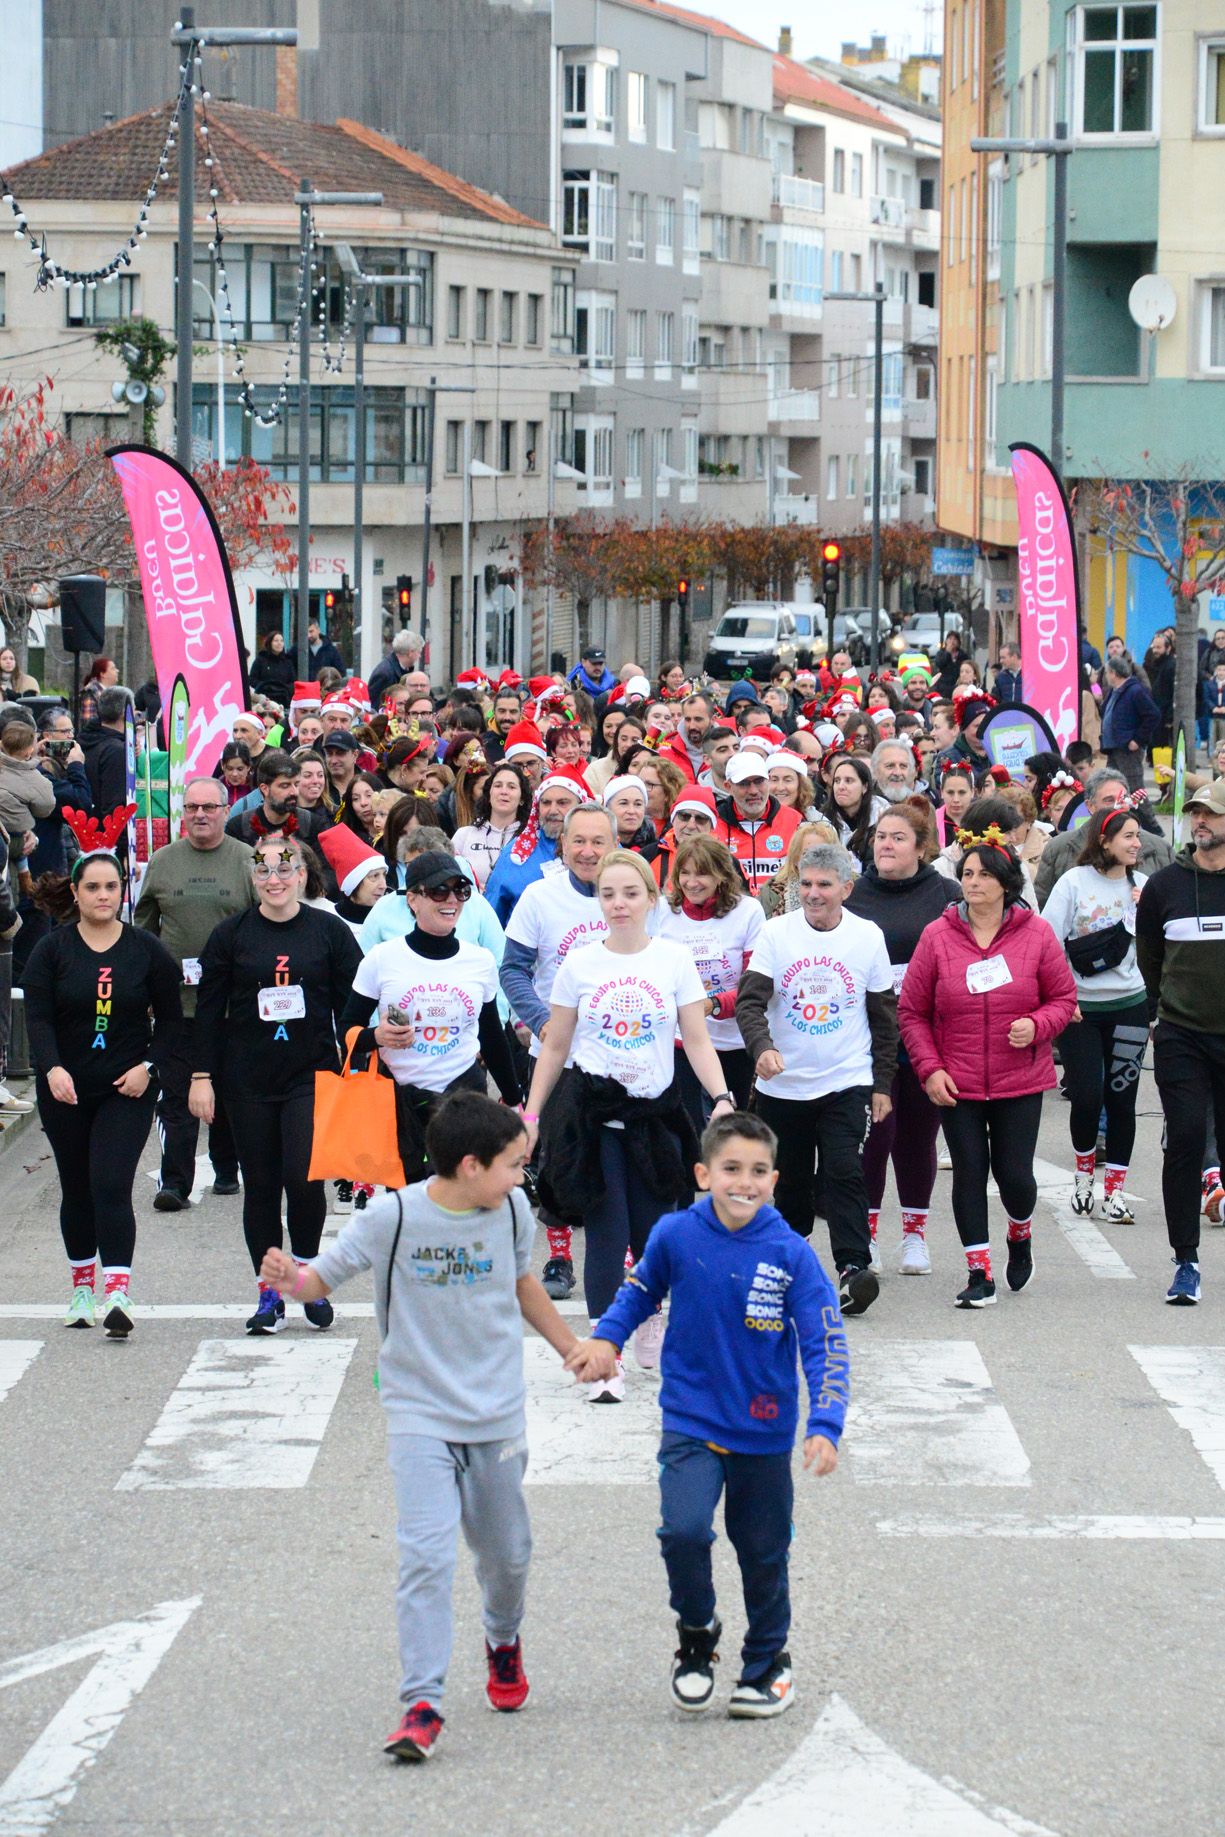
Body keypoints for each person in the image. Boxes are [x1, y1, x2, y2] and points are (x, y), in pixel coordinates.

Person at [261, 1093, 577, 1760]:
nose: (522, 1178)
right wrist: (291, 1277)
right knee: (425, 1555)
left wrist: (568, 1346)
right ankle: (422, 1702)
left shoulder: (512, 1209)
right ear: (469, 1165)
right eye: (513, 1166)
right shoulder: (393, 1215)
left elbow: (523, 1283)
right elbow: (323, 1278)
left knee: (507, 1554)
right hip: (417, 1411)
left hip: (494, 1412)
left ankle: (502, 1640)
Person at [567, 1110, 847, 1719]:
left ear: (775, 1178)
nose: (744, 1182)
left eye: (758, 1171)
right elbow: (638, 1291)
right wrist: (606, 1340)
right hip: (690, 1418)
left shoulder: (791, 1253)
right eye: (730, 1169)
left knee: (763, 1552)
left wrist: (825, 1424)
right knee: (684, 1530)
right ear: (703, 1173)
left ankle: (767, 1663)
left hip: (764, 1430)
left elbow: (826, 1341)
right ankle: (697, 1636)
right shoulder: (675, 1234)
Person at [522, 850, 738, 1392]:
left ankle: (651, 1316)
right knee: (606, 1232)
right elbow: (555, 1047)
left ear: (650, 897)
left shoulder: (672, 959)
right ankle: (601, 1355)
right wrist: (530, 1115)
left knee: (653, 1236)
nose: (618, 905)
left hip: (656, 1116)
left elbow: (696, 1039)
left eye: (630, 894)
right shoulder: (580, 964)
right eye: (608, 894)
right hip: (592, 1118)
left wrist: (722, 1097)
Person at [189, 833, 363, 1334]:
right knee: (261, 1186)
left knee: (304, 1178)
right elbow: (207, 1012)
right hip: (247, 1077)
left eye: (285, 870)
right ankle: (269, 1294)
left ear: (303, 876)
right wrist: (202, 1076)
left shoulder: (329, 932)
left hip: (311, 1073)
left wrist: (367, 1046)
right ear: (252, 878)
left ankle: (306, 1276)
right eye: (264, 871)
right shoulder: (231, 935)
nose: (275, 880)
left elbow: (359, 997)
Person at [899, 824, 1077, 1308]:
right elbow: (911, 1011)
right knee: (970, 1173)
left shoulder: (1036, 935)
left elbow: (1063, 998)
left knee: (1015, 1177)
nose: (972, 882)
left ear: (1006, 883)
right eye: (967, 873)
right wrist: (930, 1069)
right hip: (957, 1081)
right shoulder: (938, 936)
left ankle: (1020, 1233)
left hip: (1019, 1078)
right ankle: (979, 1272)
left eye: (983, 874)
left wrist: (1037, 1026)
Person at [24, 840, 183, 1335]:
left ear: (123, 891)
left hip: (126, 1090)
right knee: (77, 1187)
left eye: (111, 886)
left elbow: (175, 1023)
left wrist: (150, 1067)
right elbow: (38, 1017)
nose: (102, 895)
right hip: (66, 1089)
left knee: (111, 1183)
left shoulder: (146, 950)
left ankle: (118, 1292)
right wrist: (51, 1068)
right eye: (92, 887)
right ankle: (81, 1288)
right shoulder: (52, 950)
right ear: (76, 892)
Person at [736, 842, 897, 1318]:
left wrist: (881, 1084)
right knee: (791, 1184)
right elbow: (750, 1003)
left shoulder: (867, 937)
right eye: (805, 884)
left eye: (824, 884)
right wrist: (762, 1048)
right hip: (783, 1086)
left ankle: (853, 1269)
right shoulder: (775, 934)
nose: (813, 893)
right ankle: (790, 1266)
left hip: (845, 1080)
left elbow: (884, 1017)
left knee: (844, 1171)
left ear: (846, 888)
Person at [340, 851, 520, 1182]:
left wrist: (513, 1097)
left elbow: (493, 1035)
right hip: (402, 1101)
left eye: (460, 890)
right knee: (410, 1208)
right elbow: (346, 1029)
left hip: (463, 1096)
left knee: (461, 1203)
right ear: (413, 899)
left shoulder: (478, 961)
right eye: (439, 890)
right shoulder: (383, 959)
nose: (451, 899)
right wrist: (375, 1037)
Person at [501, 801, 616, 1299]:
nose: (588, 852)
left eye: (599, 841)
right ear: (562, 845)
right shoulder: (540, 897)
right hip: (558, 1058)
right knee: (556, 1163)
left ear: (615, 844)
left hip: (622, 1055)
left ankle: (624, 1256)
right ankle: (560, 1257)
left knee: (618, 1162)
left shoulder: (637, 892)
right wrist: (543, 1022)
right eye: (579, 841)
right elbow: (512, 970)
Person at [847, 799, 961, 1275]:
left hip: (927, 1034)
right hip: (868, 1035)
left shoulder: (946, 893)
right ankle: (867, 1234)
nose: (886, 845)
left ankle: (914, 1236)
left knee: (917, 1136)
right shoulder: (853, 895)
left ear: (921, 847)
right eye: (880, 837)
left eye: (897, 838)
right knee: (875, 1137)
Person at [134, 777, 254, 1208]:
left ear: (226, 810)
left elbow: (269, 918)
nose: (200, 814)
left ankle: (226, 1167)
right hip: (176, 1004)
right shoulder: (163, 861)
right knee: (177, 1096)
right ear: (182, 813)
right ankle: (174, 1183)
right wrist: (143, 983)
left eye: (209, 807)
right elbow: (144, 926)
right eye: (191, 807)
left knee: (229, 1090)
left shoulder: (248, 858)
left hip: (235, 1005)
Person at [1136, 779, 1225, 1305]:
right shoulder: (1164, 886)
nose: (1200, 822)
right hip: (1181, 1035)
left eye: (1211, 814)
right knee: (1186, 1140)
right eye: (1195, 814)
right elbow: (1150, 959)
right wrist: (1162, 1011)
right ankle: (1185, 1261)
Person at [1042, 808, 1150, 1225]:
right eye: (1128, 836)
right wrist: (1062, 1000)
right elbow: (1048, 943)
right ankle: (1084, 1177)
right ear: (1104, 842)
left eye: (1138, 835)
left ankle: (1116, 1191)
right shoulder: (1073, 883)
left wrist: (1148, 911)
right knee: (1087, 1097)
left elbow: (1156, 951)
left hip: (1130, 1007)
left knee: (1123, 1100)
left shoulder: (1143, 887)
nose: (1136, 843)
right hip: (1080, 1011)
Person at [658, 834, 764, 1123]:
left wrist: (712, 1004)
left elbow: (752, 983)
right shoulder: (662, 912)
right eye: (685, 873)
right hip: (682, 1042)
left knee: (734, 1131)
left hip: (734, 1043)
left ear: (721, 874)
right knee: (689, 1131)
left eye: (702, 873)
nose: (692, 882)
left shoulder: (748, 912)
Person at [1035, 766, 1173, 906]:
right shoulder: (1060, 848)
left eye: (1123, 798)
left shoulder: (1159, 848)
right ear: (1090, 806)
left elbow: (1172, 904)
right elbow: (1043, 905)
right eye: (1109, 800)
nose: (1118, 805)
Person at [485, 775, 585, 925]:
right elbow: (491, 920)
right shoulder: (515, 855)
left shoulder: (602, 847)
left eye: (562, 803)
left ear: (580, 806)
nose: (552, 810)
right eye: (546, 803)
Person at [713, 753, 802, 894]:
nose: (753, 791)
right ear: (728, 787)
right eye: (744, 783)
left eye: (759, 781)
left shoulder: (796, 821)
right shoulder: (713, 824)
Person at [225, 749, 332, 854]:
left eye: (296, 784)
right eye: (285, 786)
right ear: (265, 789)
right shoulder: (238, 827)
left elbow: (323, 870)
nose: (294, 792)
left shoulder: (314, 826)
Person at [452, 762, 530, 890]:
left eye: (512, 787)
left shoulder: (529, 839)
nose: (504, 791)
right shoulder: (464, 835)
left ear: (522, 798)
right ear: (488, 795)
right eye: (498, 785)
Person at [1099, 655, 1160, 792]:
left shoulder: (1135, 691)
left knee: (1134, 788)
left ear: (1114, 673)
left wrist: (1138, 739)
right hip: (1113, 747)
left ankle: (1145, 814)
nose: (1106, 676)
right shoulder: (1113, 691)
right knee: (1112, 787)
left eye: (1107, 672)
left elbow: (1153, 715)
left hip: (1127, 749)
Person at [757, 818, 839, 917]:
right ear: (796, 858)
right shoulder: (771, 893)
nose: (815, 860)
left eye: (823, 853)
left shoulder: (852, 886)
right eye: (807, 854)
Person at [318, 825, 387, 936]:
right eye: (374, 876)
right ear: (354, 883)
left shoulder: (391, 918)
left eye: (384, 875)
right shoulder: (327, 922)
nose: (383, 885)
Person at [822, 755, 884, 868]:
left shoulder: (882, 820)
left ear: (865, 787)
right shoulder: (821, 820)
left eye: (848, 781)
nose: (841, 786)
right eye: (837, 780)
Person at [79, 685, 130, 823]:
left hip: (88, 827)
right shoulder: (116, 751)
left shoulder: (86, 740)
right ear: (125, 712)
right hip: (108, 836)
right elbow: (115, 807)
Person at [603, 774, 659, 863]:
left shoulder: (656, 851)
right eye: (623, 803)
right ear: (607, 808)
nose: (631, 811)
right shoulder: (597, 848)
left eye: (638, 804)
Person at [369, 628, 426, 707]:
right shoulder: (384, 673)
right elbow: (376, 707)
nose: (420, 656)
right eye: (419, 652)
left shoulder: (405, 669)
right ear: (410, 653)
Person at [249, 630, 297, 707]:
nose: (279, 643)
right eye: (276, 641)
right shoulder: (261, 659)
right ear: (270, 643)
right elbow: (252, 679)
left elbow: (293, 682)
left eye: (281, 641)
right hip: (265, 700)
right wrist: (263, 686)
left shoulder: (287, 661)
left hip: (284, 699)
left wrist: (286, 689)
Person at [78, 656, 118, 727]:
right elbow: (88, 724)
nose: (117, 671)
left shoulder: (110, 693)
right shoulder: (90, 693)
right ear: (103, 674)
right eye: (113, 668)